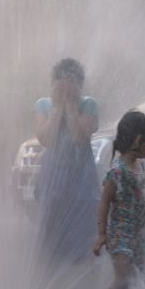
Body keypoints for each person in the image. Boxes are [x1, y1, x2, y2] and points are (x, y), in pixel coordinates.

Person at [92, 110, 145, 289]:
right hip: (120, 235)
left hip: (136, 235)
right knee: (122, 279)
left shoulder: (139, 166)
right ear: (138, 140)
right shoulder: (116, 171)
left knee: (132, 278)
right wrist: (101, 234)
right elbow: (104, 203)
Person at [33, 58, 100, 265]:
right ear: (52, 84)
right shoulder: (43, 104)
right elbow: (45, 138)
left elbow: (79, 136)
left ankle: (82, 269)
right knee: (51, 220)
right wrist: (57, 108)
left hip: (80, 174)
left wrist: (70, 106)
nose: (66, 86)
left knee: (81, 220)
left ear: (81, 85)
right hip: (53, 174)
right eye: (60, 81)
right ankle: (52, 266)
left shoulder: (89, 104)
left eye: (72, 81)